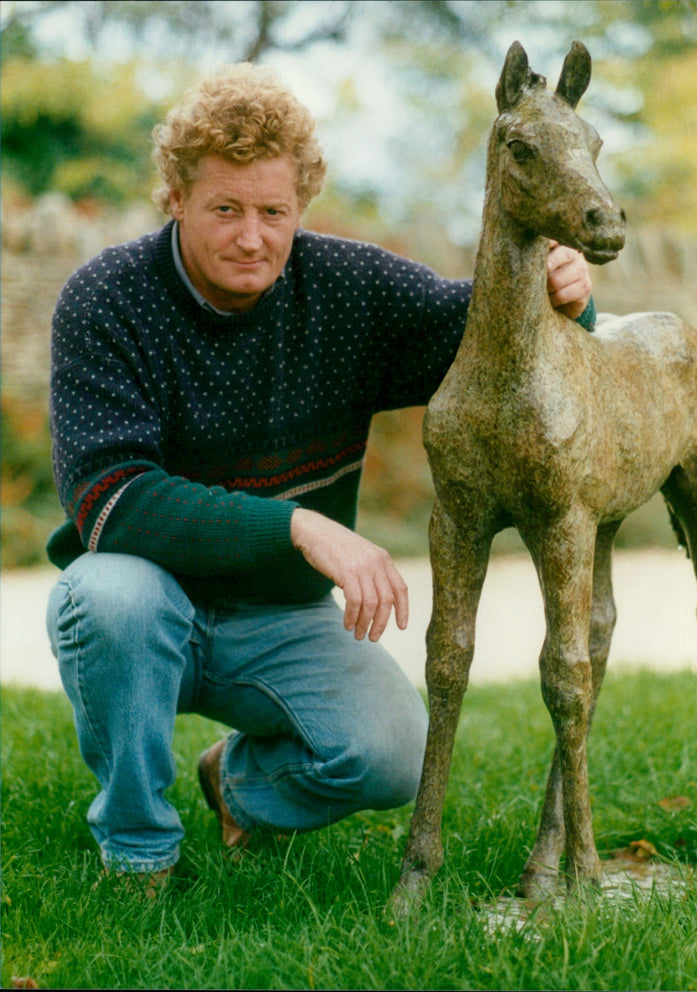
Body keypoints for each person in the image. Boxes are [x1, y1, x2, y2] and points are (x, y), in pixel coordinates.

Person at [45, 62, 595, 888]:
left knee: (391, 754)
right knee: (109, 595)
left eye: (273, 212)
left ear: (301, 206)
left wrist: (562, 295)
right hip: (149, 595)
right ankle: (138, 848)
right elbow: (111, 500)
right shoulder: (107, 300)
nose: (252, 236)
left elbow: (487, 335)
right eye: (225, 210)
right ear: (176, 198)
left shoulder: (347, 288)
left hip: (276, 616)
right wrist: (299, 525)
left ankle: (234, 784)